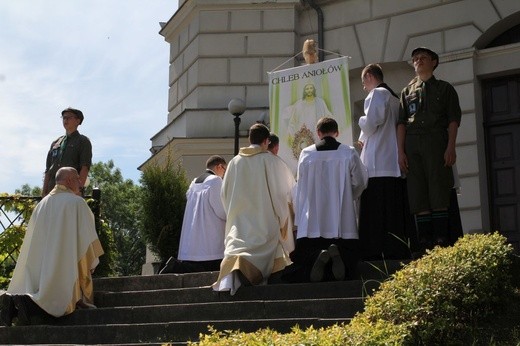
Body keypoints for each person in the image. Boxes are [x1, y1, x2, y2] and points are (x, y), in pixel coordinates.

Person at [1, 167, 104, 326]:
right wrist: (90, 264)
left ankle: (18, 303)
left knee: (40, 290)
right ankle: (31, 304)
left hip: (40, 270)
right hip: (65, 268)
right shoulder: (77, 203)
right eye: (78, 179)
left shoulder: (41, 204)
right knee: (57, 301)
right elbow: (87, 242)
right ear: (69, 180)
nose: (81, 183)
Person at [212, 124, 295, 295]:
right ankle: (254, 276)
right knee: (274, 252)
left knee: (237, 249)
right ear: (266, 141)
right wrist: (283, 218)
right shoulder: (271, 161)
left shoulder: (234, 162)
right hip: (266, 223)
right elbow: (284, 194)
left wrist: (234, 214)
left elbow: (224, 194)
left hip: (239, 224)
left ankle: (236, 276)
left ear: (249, 139)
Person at [284, 117, 368, 283]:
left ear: (318, 133)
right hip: (342, 219)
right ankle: (340, 259)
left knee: (307, 253)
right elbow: (361, 181)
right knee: (348, 252)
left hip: (314, 218)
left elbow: (301, 184)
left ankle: (317, 257)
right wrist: (348, 197)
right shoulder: (348, 152)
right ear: (336, 132)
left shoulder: (306, 154)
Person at [397, 47, 462, 254]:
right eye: (415, 59)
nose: (418, 61)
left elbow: (453, 119)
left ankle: (441, 241)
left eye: (423, 58)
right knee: (418, 193)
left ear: (434, 62)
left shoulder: (444, 89)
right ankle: (424, 243)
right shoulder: (407, 92)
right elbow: (401, 124)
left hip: (436, 142)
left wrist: (451, 146)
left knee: (438, 189)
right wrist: (400, 152)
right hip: (413, 144)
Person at [357, 64, 414, 260]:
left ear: (370, 77)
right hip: (392, 163)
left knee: (376, 214)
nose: (364, 87)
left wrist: (360, 122)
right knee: (393, 213)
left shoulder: (377, 94)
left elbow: (372, 123)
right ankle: (395, 249)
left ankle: (374, 251)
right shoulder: (395, 98)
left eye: (364, 82)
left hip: (378, 164)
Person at [159, 155, 227, 274]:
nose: (224, 174)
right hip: (209, 241)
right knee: (211, 269)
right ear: (219, 166)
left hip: (192, 241)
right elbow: (221, 211)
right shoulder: (216, 181)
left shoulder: (193, 182)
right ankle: (174, 267)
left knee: (194, 268)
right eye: (224, 170)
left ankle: (174, 267)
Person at [42, 107, 92, 197]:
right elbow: (48, 170)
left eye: (69, 117)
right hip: (52, 190)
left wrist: (78, 190)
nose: (65, 120)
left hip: (70, 190)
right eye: (64, 117)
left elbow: (84, 167)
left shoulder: (83, 141)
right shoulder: (56, 143)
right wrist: (44, 191)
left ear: (78, 121)